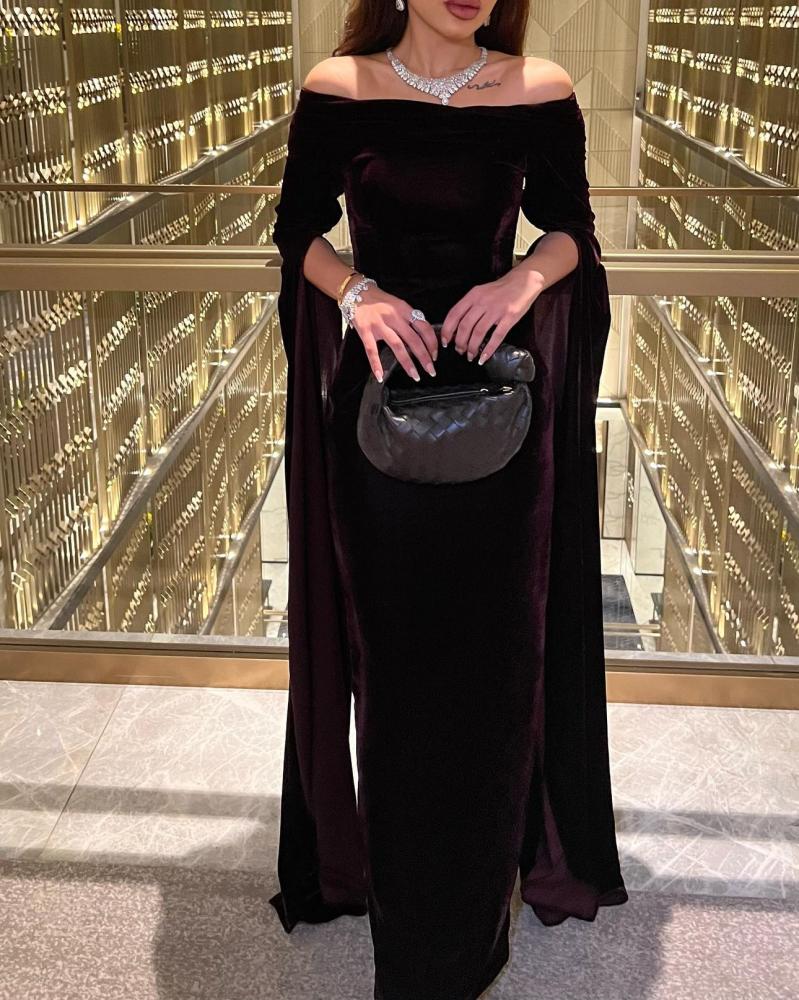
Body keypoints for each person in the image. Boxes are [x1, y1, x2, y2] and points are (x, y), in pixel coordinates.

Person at [268, 2, 629, 997]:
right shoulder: (339, 90)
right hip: (378, 418)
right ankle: (411, 938)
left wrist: (521, 282)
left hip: (500, 421)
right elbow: (296, 229)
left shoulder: (538, 88)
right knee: (397, 678)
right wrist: (357, 294)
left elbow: (572, 231)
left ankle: (471, 933)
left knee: (492, 676)